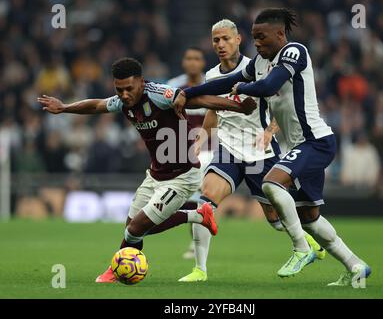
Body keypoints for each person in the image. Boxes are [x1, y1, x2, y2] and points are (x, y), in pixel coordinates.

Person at [174, 8, 371, 286]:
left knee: (271, 185)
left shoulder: (294, 52)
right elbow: (225, 83)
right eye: (255, 38)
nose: (258, 43)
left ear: (280, 34)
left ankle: (301, 249)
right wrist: (187, 93)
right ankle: (356, 266)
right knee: (310, 218)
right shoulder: (259, 63)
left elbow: (268, 87)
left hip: (314, 141)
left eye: (262, 37)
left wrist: (242, 90)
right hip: (286, 148)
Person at [38, 57, 257, 283]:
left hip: (182, 177)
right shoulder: (123, 102)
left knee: (136, 229)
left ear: (141, 82)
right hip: (155, 175)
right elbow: (96, 105)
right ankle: (121, 266)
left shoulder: (160, 95)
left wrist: (238, 107)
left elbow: (198, 99)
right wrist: (64, 108)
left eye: (129, 89)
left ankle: (197, 214)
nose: (124, 95)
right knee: (130, 230)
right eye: (119, 89)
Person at [167, 47, 209, 259]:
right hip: (181, 151)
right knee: (190, 200)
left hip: (210, 150)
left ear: (202, 63)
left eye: (197, 58)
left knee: (204, 198)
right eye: (189, 58)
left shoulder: (212, 85)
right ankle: (195, 242)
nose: (193, 62)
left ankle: (197, 245)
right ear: (184, 62)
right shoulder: (174, 86)